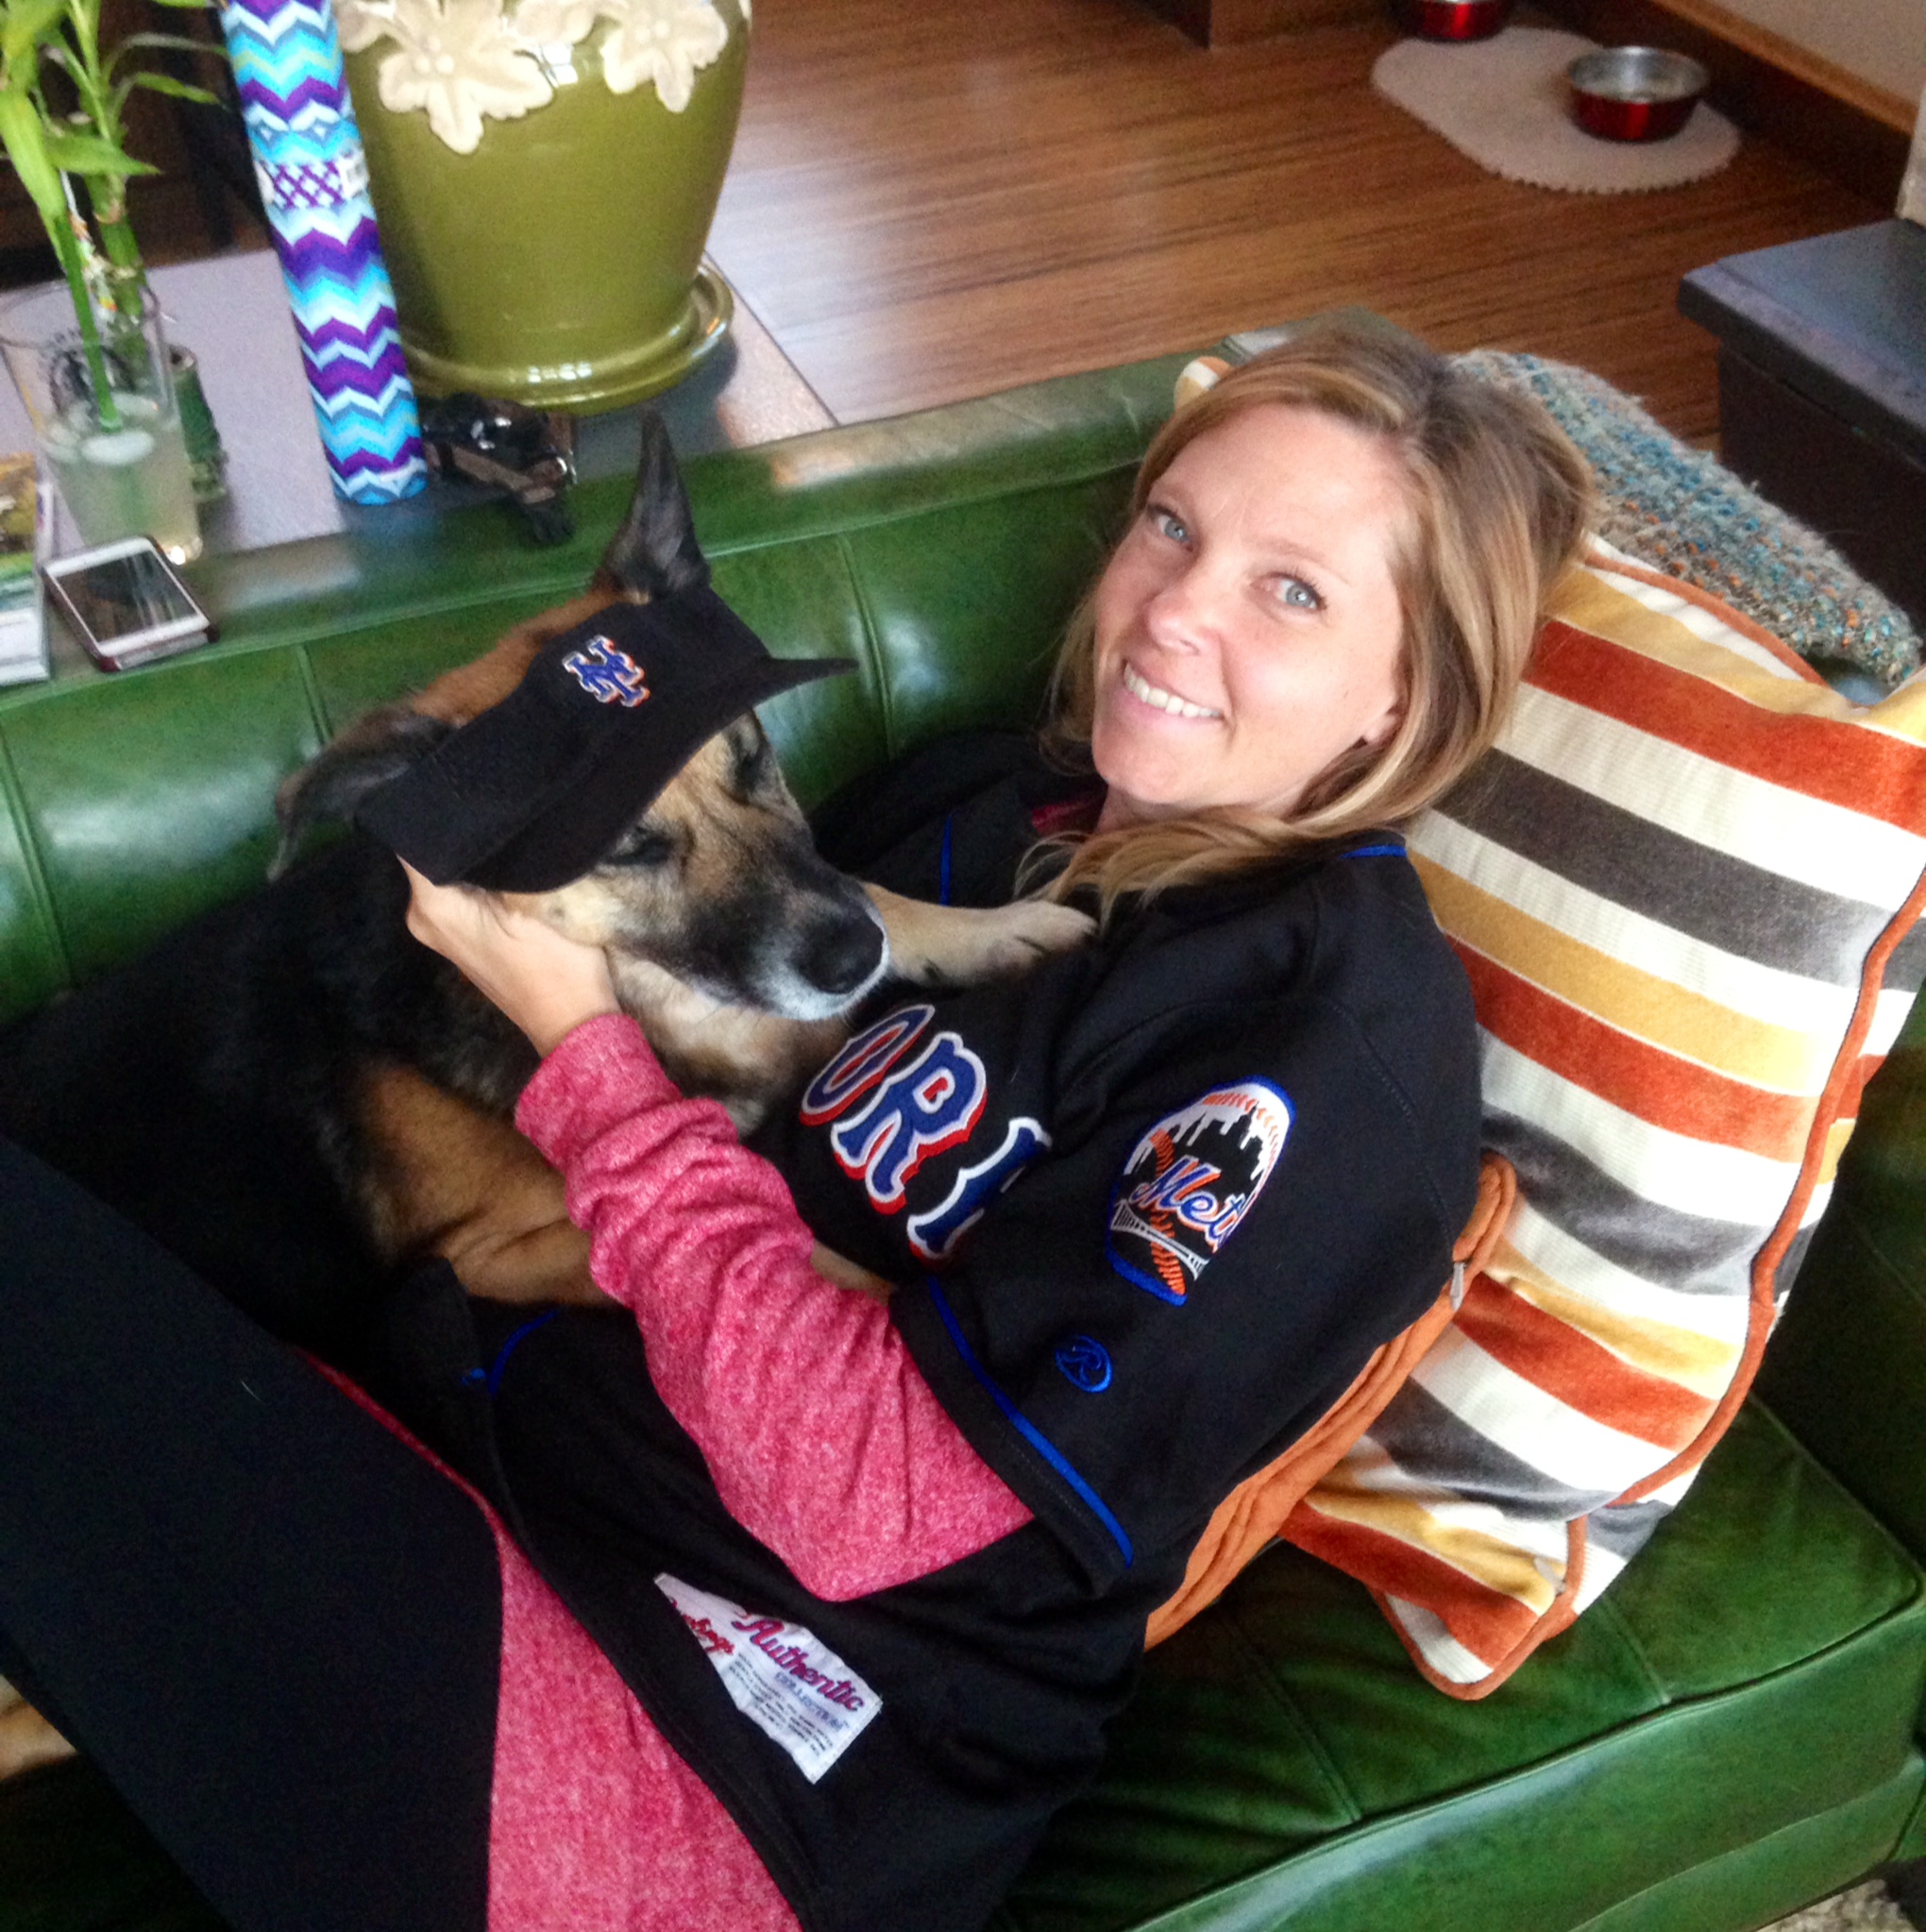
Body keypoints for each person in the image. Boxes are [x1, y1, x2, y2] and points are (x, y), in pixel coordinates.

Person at [0, 319, 1593, 1932]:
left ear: (1406, 695)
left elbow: (860, 1504)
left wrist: (576, 1035)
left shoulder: (1326, 1044)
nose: (1178, 609)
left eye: (1292, 590)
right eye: (1174, 525)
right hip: (449, 1484)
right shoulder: (986, 808)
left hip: (694, 1765)